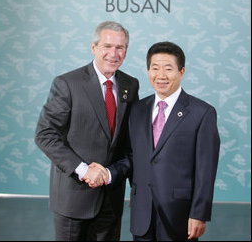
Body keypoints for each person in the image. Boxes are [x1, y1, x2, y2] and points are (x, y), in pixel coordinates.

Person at [86, 41, 220, 241]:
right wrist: (108, 172)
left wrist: (199, 214)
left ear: (181, 71)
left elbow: (206, 170)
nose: (161, 76)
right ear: (148, 71)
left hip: (180, 215)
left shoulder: (202, 113)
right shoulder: (137, 110)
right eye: (155, 68)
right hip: (142, 213)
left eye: (168, 69)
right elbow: (132, 157)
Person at [35, 21, 139, 241]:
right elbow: (45, 134)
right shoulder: (67, 83)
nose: (113, 53)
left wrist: (116, 176)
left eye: (120, 48)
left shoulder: (131, 85)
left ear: (126, 51)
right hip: (74, 199)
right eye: (107, 46)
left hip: (111, 198)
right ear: (93, 48)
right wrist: (83, 170)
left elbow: (131, 143)